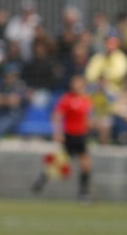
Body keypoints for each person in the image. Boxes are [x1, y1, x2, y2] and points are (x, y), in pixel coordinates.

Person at [33, 73, 92, 201]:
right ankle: (41, 181)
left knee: (86, 165)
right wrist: (57, 132)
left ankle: (84, 193)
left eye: (78, 82)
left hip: (81, 135)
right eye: (74, 82)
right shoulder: (67, 99)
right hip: (69, 135)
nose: (76, 85)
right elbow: (57, 115)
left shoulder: (86, 99)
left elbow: (88, 118)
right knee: (59, 163)